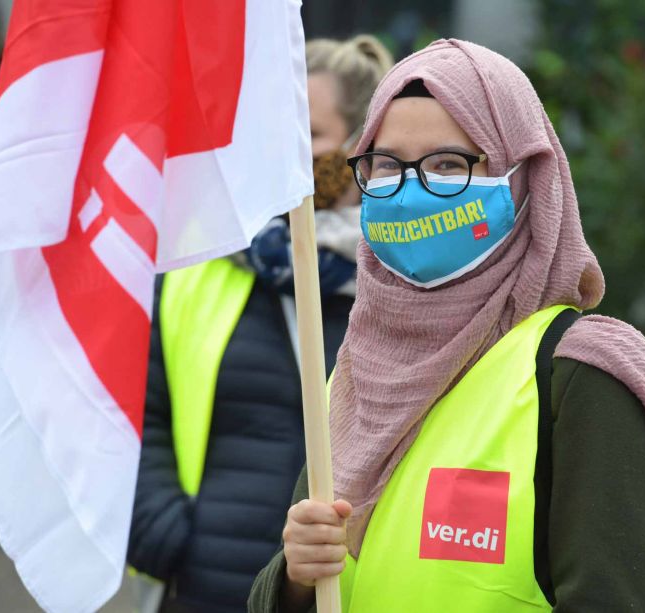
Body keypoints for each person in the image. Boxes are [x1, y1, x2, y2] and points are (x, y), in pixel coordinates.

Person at [248, 39, 645, 613]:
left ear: (521, 179)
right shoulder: (355, 373)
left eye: (448, 165)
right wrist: (294, 579)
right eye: (387, 165)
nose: (411, 192)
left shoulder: (581, 376)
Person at [127, 35, 393, 613]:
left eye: (310, 136)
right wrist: (166, 537)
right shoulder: (201, 258)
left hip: (341, 591)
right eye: (274, 135)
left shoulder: (399, 278)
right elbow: (139, 414)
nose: (287, 155)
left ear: (362, 147)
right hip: (208, 585)